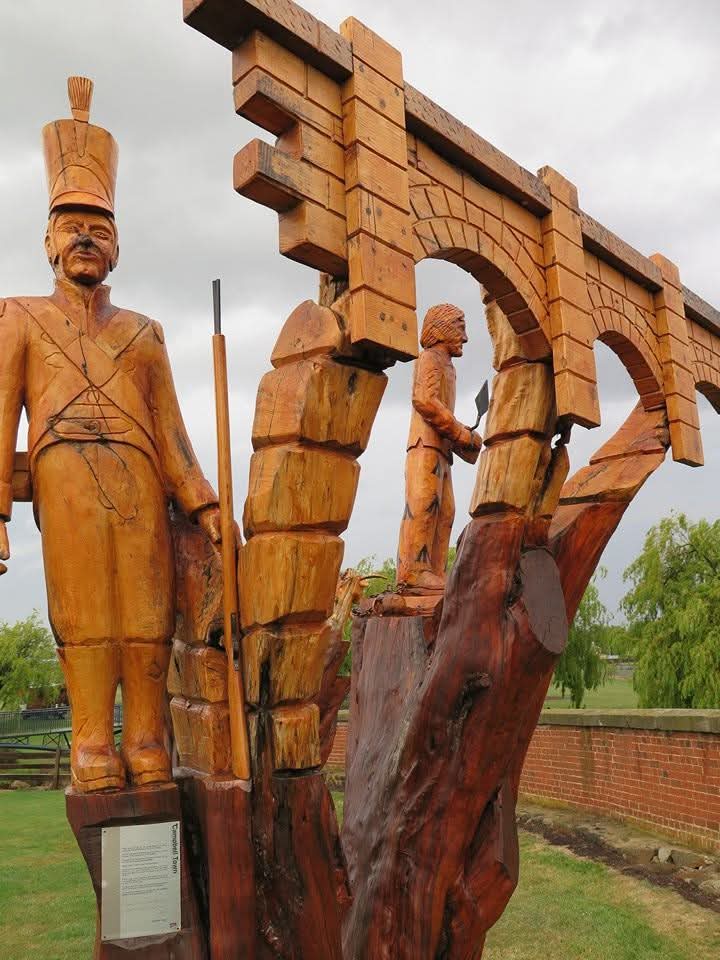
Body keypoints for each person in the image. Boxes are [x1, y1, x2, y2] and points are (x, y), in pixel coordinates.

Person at [0, 77, 221, 792]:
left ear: (118, 243)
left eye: (99, 225)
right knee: (86, 615)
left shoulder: (144, 334)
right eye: (71, 223)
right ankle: (94, 741)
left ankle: (149, 737)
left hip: (138, 481)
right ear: (48, 239)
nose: (86, 236)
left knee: (148, 616)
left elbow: (175, 436)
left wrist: (207, 505)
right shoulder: (19, 319)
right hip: (62, 479)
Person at [397, 303, 482, 591]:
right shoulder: (430, 359)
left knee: (446, 511)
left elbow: (440, 410)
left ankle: (434, 571)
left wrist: (465, 441)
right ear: (442, 328)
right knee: (424, 505)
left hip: (441, 450)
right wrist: (459, 432)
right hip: (424, 447)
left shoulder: (448, 367)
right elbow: (424, 400)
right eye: (460, 327)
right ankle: (413, 571)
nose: (465, 337)